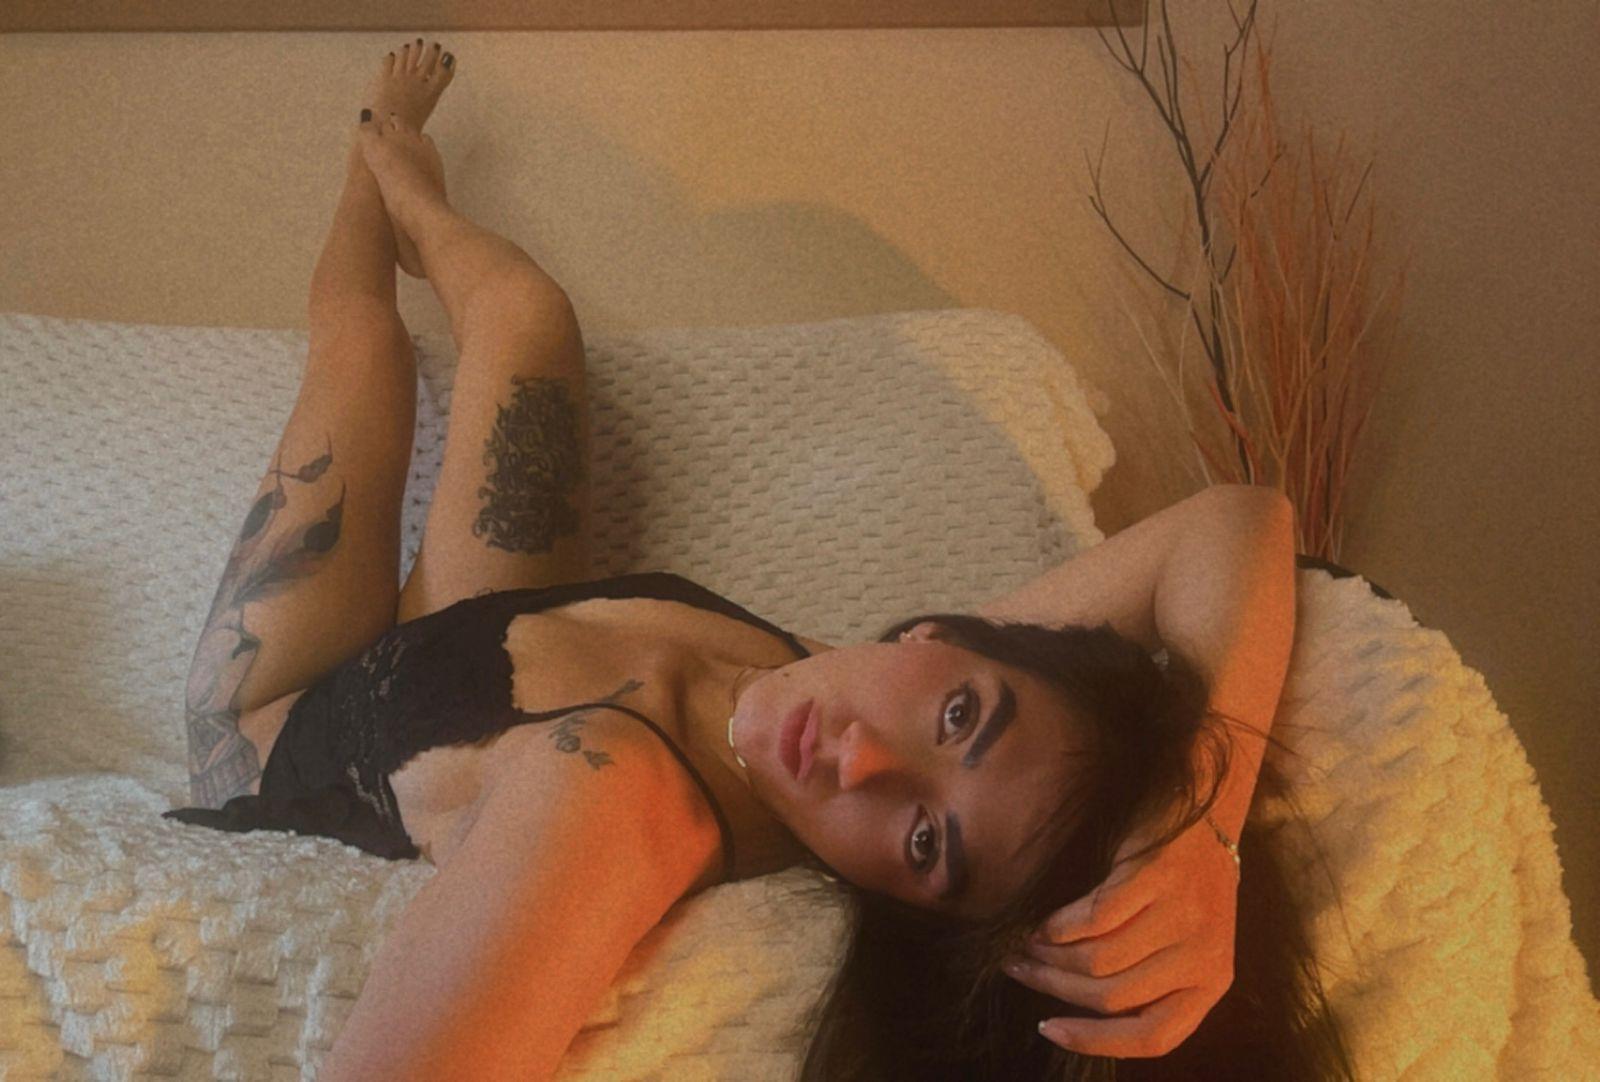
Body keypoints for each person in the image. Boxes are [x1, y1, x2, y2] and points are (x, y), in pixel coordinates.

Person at [163, 40, 1356, 1080]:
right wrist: (1199, 827)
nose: (862, 759)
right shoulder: (859, 676)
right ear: (943, 638)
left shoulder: (613, 796)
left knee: (362, 345)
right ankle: (411, 179)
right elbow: (1233, 519)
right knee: (525, 311)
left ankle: (370, 164)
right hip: (491, 634)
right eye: (957, 714)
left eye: (925, 842)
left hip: (290, 717)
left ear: (901, 900)